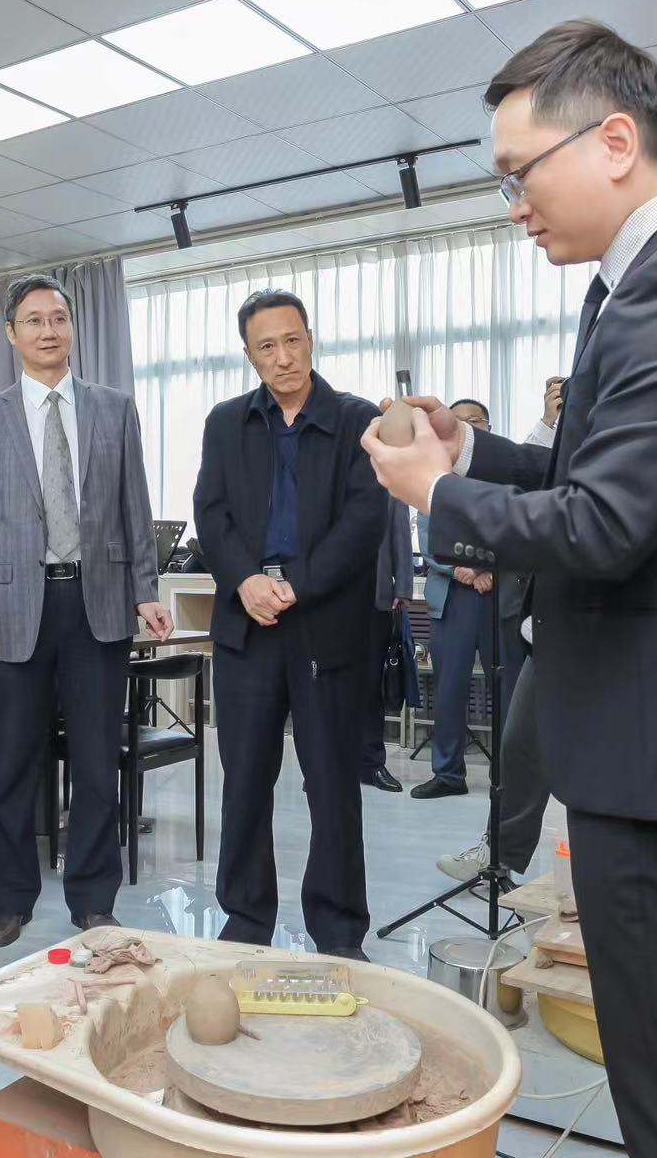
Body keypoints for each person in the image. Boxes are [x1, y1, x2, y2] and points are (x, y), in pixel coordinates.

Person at [363, 21, 657, 1158]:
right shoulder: (645, 280)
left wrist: (432, 493)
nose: (514, 205)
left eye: (521, 173)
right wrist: (472, 450)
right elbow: (592, 476)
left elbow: (602, 525)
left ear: (613, 141)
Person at [0, 274, 172, 949]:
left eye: (58, 318)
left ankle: (93, 899)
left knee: (96, 761)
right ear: (11, 333)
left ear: (72, 327)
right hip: (16, 607)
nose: (47, 330)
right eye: (33, 320)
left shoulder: (114, 409)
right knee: (12, 762)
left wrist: (145, 589)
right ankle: (10, 899)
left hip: (97, 602)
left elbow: (134, 506)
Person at [193, 289, 386, 961]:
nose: (283, 357)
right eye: (267, 346)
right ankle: (246, 919)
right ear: (249, 355)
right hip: (247, 624)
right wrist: (245, 580)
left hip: (324, 625)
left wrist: (296, 584)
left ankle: (338, 930)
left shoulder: (356, 421)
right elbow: (211, 513)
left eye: (292, 340)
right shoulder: (225, 423)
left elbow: (364, 520)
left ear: (311, 338)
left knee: (331, 784)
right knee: (245, 780)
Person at [438, 377, 562, 881]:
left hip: (596, 622)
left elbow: (543, 498)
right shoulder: (558, 436)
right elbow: (536, 474)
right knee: (519, 744)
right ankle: (501, 855)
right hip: (550, 626)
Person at [411, 400, 526, 801]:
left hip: (499, 596)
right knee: (448, 689)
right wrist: (461, 569)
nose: (467, 426)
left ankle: (510, 775)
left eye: (474, 421)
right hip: (453, 598)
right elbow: (428, 538)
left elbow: (519, 528)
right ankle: (447, 773)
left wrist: (491, 570)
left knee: (509, 688)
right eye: (459, 421)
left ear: (488, 427)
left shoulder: (506, 474)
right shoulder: (434, 478)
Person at [359, 498, 410, 792]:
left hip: (377, 599)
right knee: (330, 687)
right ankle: (329, 762)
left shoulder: (390, 481)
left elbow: (401, 534)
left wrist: (402, 587)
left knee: (370, 687)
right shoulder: (330, 476)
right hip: (332, 600)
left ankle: (372, 763)